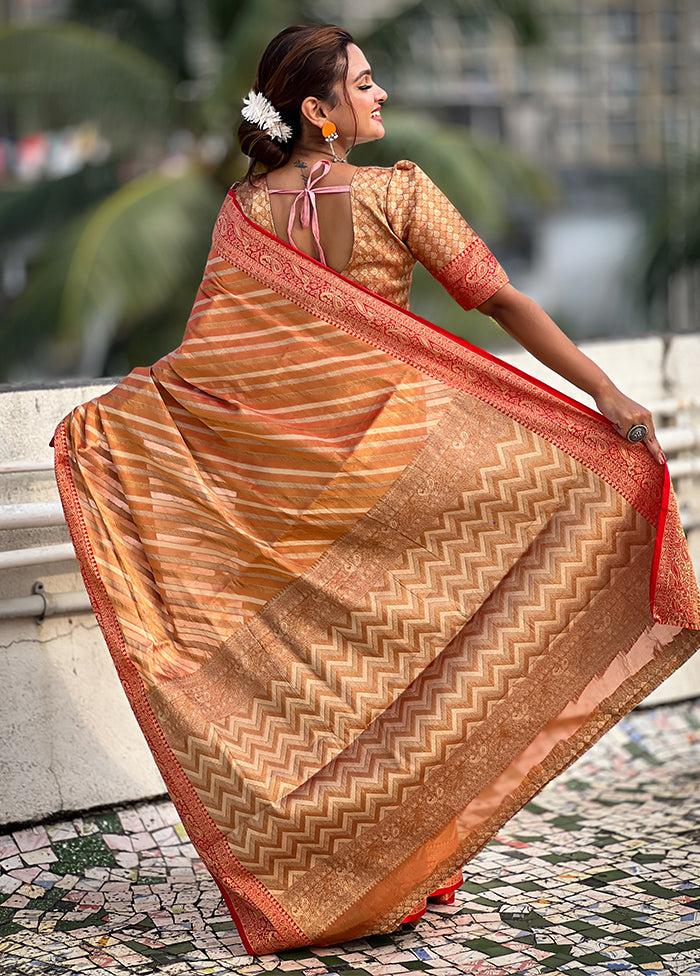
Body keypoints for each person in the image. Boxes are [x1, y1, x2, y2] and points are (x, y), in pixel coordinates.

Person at [54, 23, 699, 957]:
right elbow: (501, 301)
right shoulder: (398, 195)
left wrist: (108, 433)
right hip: (404, 470)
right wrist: (602, 392)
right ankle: (408, 863)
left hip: (299, 494)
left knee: (339, 683)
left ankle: (362, 868)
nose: (381, 95)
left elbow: (220, 366)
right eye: (364, 83)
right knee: (413, 666)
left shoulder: (244, 214)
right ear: (318, 112)